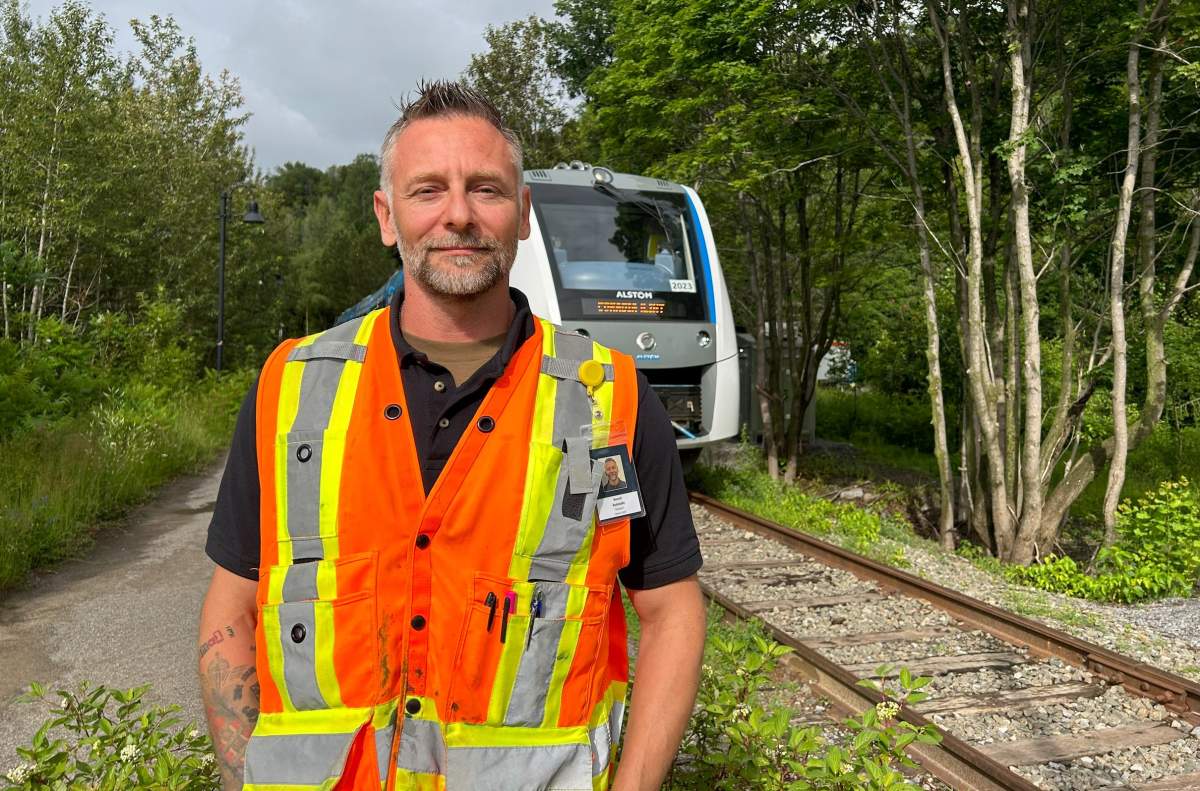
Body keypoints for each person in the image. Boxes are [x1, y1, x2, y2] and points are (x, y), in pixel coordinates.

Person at [198, 80, 707, 791]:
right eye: (428, 189)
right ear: (387, 215)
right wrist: (242, 773)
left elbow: (672, 610)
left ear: (523, 214)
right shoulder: (290, 389)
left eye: (487, 190)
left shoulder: (611, 398)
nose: (459, 214)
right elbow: (233, 604)